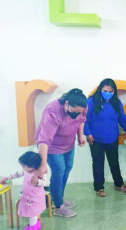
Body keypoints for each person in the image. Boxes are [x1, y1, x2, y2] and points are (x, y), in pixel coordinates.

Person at [35, 88, 87, 217]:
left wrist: (80, 136)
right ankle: (58, 206)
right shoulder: (52, 111)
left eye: (78, 112)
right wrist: (42, 164)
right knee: (59, 171)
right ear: (67, 103)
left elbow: (81, 120)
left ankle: (57, 198)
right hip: (52, 146)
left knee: (67, 168)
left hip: (68, 143)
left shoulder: (82, 106)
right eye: (73, 112)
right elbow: (44, 140)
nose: (75, 115)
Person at [84, 79, 126, 197]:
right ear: (100, 89)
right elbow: (85, 119)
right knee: (98, 164)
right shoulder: (91, 101)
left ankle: (118, 184)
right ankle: (99, 188)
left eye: (111, 91)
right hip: (95, 139)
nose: (108, 93)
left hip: (112, 138)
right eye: (105, 91)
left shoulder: (116, 102)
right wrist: (88, 133)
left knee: (114, 162)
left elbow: (122, 119)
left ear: (114, 92)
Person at [1, 151, 50, 230]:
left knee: (33, 214)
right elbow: (17, 174)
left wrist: (38, 182)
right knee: (31, 213)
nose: (23, 168)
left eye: (25, 166)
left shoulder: (39, 173)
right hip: (27, 197)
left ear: (33, 166)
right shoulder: (26, 171)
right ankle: (34, 225)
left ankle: (32, 227)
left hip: (36, 198)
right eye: (22, 166)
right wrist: (7, 178)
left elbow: (47, 183)